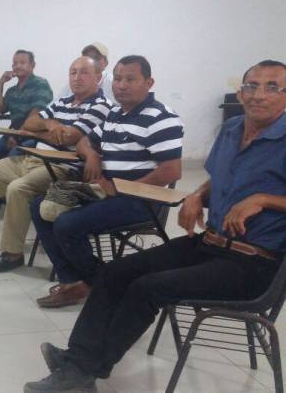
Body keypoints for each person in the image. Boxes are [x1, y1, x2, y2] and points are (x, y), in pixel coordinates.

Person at [23, 60, 286, 393]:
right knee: (115, 272)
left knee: (147, 287)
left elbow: (177, 170)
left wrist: (264, 199)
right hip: (211, 243)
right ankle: (79, 360)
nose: (259, 94)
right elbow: (219, 178)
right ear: (240, 91)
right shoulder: (234, 127)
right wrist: (197, 195)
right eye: (252, 85)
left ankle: (83, 369)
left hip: (254, 263)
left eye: (273, 86)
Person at [30, 55, 184, 309]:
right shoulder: (115, 113)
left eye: (130, 79)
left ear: (149, 82)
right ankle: (72, 281)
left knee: (67, 224)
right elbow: (85, 141)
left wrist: (121, 188)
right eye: (119, 79)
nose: (121, 85)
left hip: (141, 199)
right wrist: (92, 156)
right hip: (108, 190)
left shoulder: (161, 118)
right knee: (38, 205)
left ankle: (98, 281)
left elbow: (171, 171)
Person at [0, 56, 112, 273]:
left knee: (18, 188)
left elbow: (70, 138)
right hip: (32, 156)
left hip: (62, 166)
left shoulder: (101, 106)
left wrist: (42, 131)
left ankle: (12, 253)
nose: (77, 78)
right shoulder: (63, 101)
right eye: (73, 72)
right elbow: (28, 124)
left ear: (98, 77)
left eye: (84, 72)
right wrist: (50, 124)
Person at [0, 50, 54, 167]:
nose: (18, 66)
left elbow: (36, 113)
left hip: (34, 135)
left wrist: (17, 136)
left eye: (22, 62)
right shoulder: (12, 91)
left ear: (32, 65)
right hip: (13, 134)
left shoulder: (41, 84)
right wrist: (1, 83)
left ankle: (7, 184)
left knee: (14, 155)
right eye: (15, 63)